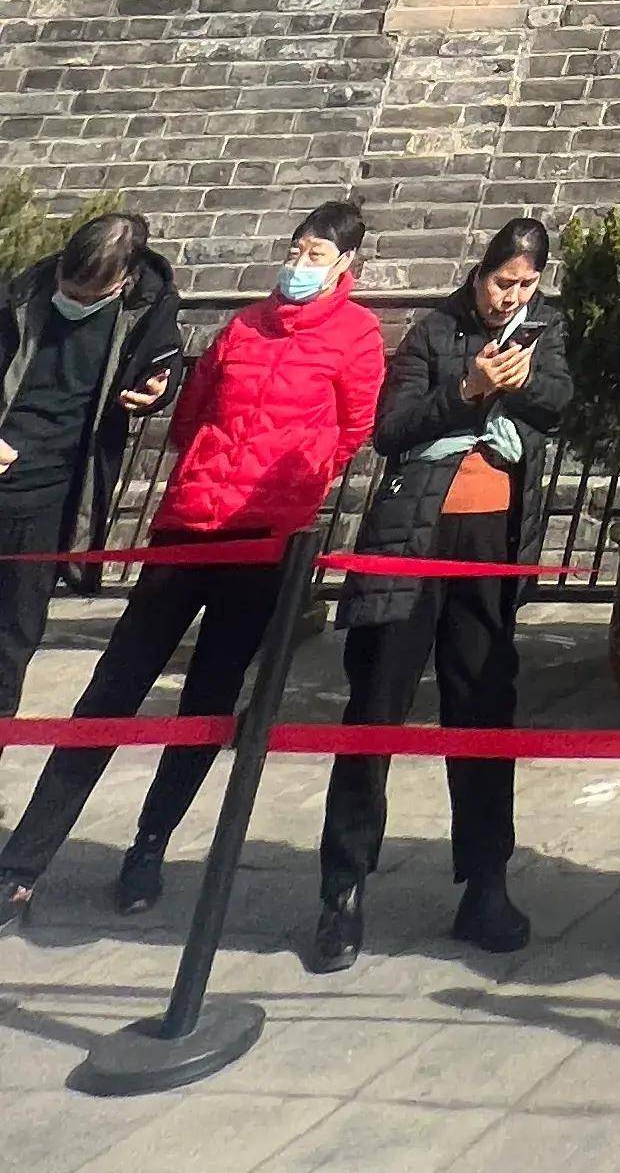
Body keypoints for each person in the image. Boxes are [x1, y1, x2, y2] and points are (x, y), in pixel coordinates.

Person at [0, 194, 386, 931]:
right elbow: (190, 414)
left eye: (316, 256)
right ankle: (22, 864)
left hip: (267, 541)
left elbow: (354, 430)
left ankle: (149, 844)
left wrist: (293, 484)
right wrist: (211, 462)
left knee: (206, 701)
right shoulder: (242, 323)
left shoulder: (358, 336)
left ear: (347, 266)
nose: (299, 264)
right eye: (296, 248)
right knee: (110, 691)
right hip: (188, 524)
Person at [311, 215, 572, 973]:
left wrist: (520, 388)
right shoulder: (433, 331)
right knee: (375, 711)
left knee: (484, 708)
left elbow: (560, 399)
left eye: (524, 285)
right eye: (500, 282)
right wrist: (467, 389)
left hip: (489, 548)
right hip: (410, 540)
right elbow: (390, 429)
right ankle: (342, 890)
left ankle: (485, 883)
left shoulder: (543, 331)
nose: (509, 298)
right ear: (478, 272)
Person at [0, 214, 183, 717]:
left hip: (53, 494)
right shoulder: (19, 297)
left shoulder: (150, 313)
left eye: (88, 297)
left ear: (123, 282)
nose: (73, 302)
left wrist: (155, 392)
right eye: (68, 288)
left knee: (12, 639)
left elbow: (165, 368)